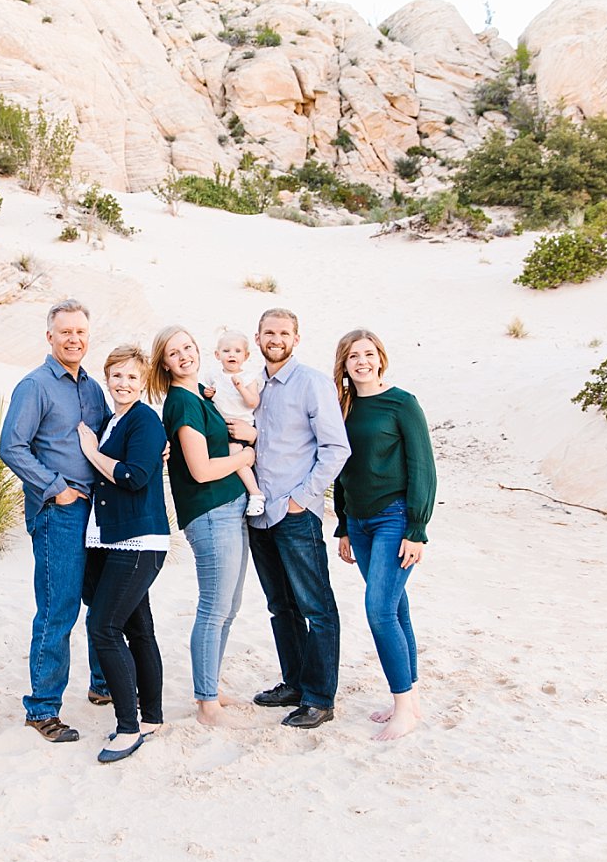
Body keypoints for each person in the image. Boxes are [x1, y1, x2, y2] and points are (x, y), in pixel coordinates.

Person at [0, 300, 110, 745]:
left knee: (102, 603)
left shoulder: (94, 388)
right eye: (65, 332)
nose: (74, 339)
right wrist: (55, 487)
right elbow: (12, 446)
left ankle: (102, 685)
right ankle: (42, 708)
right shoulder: (36, 385)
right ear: (50, 336)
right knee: (58, 608)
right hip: (58, 513)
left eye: (81, 332)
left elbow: (105, 438)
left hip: (98, 514)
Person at [247, 307, 349, 734]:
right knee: (280, 606)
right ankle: (293, 683)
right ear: (258, 338)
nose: (276, 338)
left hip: (294, 513)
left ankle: (320, 698)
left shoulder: (311, 383)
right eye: (269, 332)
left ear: (296, 338)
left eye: (284, 333)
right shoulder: (253, 388)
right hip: (259, 516)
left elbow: (335, 448)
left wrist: (302, 500)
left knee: (316, 606)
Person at [149, 325, 256, 730]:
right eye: (174, 352)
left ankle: (210, 686)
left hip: (230, 508)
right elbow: (200, 468)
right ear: (164, 363)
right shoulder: (180, 403)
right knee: (214, 608)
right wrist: (243, 459)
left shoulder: (201, 396)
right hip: (211, 512)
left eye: (188, 347)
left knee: (229, 607)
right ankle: (206, 704)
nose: (184, 355)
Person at [332, 328, 436, 744]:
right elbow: (341, 467)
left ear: (380, 358)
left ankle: (404, 705)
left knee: (378, 611)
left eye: (369, 354)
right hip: (358, 523)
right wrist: (342, 523)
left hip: (395, 519)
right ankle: (408, 701)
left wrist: (417, 528)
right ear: (344, 363)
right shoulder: (342, 406)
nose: (362, 361)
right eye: (354, 355)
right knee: (396, 607)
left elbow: (423, 467)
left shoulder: (401, 403)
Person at [76, 342, 170, 763]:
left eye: (133, 376)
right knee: (138, 630)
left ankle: (128, 728)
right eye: (116, 375)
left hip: (139, 541)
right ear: (107, 377)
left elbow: (135, 477)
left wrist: (92, 453)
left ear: (144, 380)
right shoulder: (115, 420)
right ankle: (150, 717)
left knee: (103, 627)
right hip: (113, 538)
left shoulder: (145, 421)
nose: (124, 383)